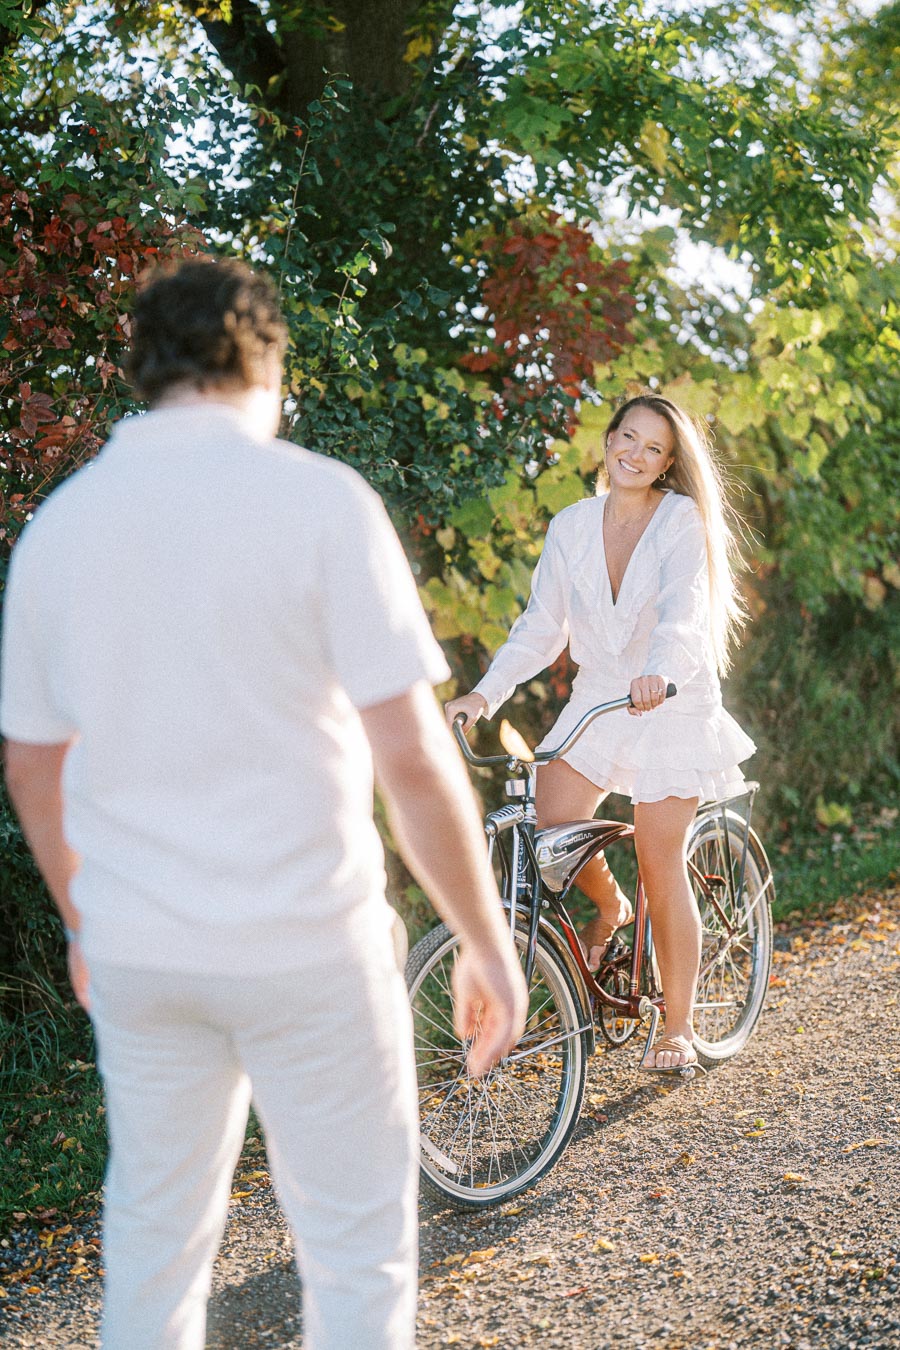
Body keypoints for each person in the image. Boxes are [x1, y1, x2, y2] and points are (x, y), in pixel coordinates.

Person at [1, 257, 527, 1350]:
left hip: (144, 953)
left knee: (153, 1252)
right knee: (355, 1256)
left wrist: (85, 918)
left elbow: (32, 766)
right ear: (268, 364)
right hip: (310, 945)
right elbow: (412, 758)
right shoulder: (320, 502)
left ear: (142, 368)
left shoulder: (62, 528)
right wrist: (485, 940)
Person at [446, 392, 755, 1073]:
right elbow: (541, 626)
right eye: (628, 437)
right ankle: (611, 908)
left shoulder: (679, 520)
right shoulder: (572, 525)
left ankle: (677, 1027)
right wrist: (483, 694)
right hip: (599, 697)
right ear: (609, 438)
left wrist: (657, 671)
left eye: (654, 448)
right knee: (549, 825)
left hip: (668, 696)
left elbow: (682, 612)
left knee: (658, 856)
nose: (635, 454)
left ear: (668, 463)